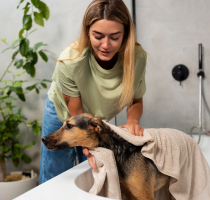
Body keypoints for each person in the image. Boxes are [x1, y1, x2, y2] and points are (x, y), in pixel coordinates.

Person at [39, 0, 147, 184]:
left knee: (95, 176)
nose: (106, 45)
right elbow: (78, 117)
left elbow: (136, 100)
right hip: (65, 113)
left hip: (97, 120)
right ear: (87, 32)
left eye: (114, 37)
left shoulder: (136, 58)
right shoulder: (70, 61)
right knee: (56, 177)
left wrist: (132, 121)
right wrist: (88, 149)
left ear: (126, 34)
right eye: (98, 36)